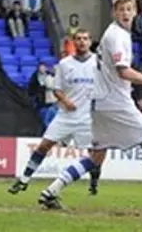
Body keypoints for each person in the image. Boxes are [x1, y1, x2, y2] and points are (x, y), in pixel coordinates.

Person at [36, 0, 142, 216]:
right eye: (120, 9)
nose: (125, 13)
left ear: (134, 12)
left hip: (99, 102)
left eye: (129, 9)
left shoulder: (115, 34)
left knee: (96, 157)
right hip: (116, 102)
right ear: (114, 13)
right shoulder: (117, 36)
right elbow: (123, 71)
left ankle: (50, 191)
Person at [8, 30, 102, 196]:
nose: (82, 42)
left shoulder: (98, 63)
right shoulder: (65, 64)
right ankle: (23, 180)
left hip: (88, 118)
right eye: (78, 39)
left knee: (94, 154)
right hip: (66, 115)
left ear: (90, 41)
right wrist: (65, 101)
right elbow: (57, 90)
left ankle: (94, 182)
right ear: (73, 41)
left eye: (85, 39)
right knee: (44, 145)